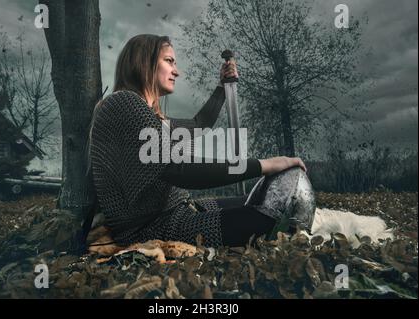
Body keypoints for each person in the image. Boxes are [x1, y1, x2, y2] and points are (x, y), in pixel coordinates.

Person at [87, 34, 314, 248]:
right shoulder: (123, 103)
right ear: (143, 62)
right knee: (268, 217)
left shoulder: (148, 115)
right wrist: (264, 164)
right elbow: (177, 168)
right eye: (169, 61)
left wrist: (221, 88)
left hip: (180, 211)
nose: (177, 71)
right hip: (154, 229)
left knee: (258, 199)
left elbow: (198, 125)